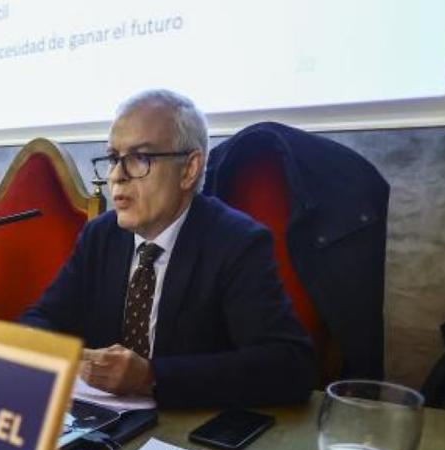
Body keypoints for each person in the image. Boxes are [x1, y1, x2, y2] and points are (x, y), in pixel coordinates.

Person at [21, 90, 316, 409]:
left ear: (189, 169)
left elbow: (289, 366)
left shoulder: (235, 242)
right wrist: (55, 351)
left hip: (186, 434)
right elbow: (41, 318)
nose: (117, 176)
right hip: (103, 424)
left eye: (139, 158)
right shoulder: (100, 235)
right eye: (112, 158)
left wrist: (151, 376)